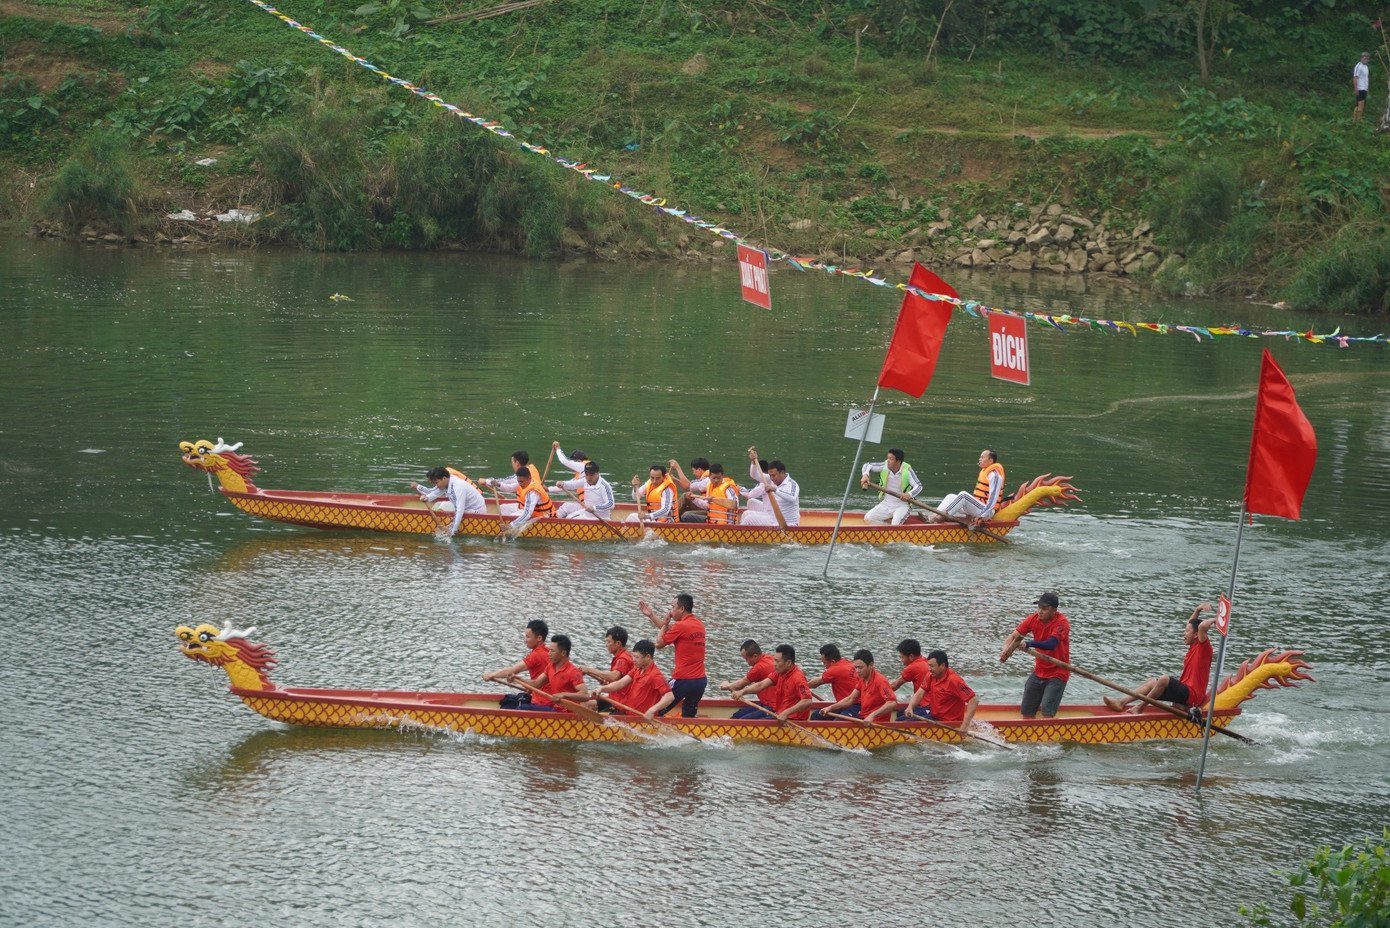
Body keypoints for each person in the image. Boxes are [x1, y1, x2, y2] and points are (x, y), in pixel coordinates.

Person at [1104, 604, 1216, 715]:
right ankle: (1120, 703)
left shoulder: (1203, 647)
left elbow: (1201, 627)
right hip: (1185, 691)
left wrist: (1215, 619)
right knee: (1152, 681)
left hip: (1194, 696)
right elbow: (1192, 624)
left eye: (1187, 631)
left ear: (1196, 635)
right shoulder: (1193, 644)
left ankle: (1139, 707)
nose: (1184, 633)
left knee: (1164, 679)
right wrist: (1197, 610)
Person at [1000, 591, 1072, 719]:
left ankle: (1048, 734)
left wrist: (1028, 643)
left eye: (1045, 609)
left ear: (1054, 610)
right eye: (1039, 607)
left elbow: (1051, 644)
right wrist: (1005, 650)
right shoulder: (1033, 619)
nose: (1040, 611)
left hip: (1058, 672)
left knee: (1046, 713)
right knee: (1026, 712)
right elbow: (1012, 636)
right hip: (1039, 670)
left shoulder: (1062, 622)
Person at [640, 594, 707, 717]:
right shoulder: (699, 624)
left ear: (681, 609)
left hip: (683, 680)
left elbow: (658, 644)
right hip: (700, 681)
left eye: (673, 607)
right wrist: (651, 615)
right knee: (689, 715)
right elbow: (669, 629)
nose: (671, 611)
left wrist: (665, 623)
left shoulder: (681, 626)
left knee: (656, 708)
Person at [482, 619, 550, 709]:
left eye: (528, 637)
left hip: (543, 701)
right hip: (542, 697)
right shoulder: (548, 652)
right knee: (509, 698)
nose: (525, 640)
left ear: (539, 638)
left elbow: (513, 670)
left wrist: (490, 675)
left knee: (510, 705)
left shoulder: (536, 655)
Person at [904, 649, 979, 731]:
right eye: (928, 665)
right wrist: (910, 707)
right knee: (900, 717)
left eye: (932, 666)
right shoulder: (931, 675)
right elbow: (920, 693)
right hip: (933, 715)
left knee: (903, 723)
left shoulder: (955, 681)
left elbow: (974, 700)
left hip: (947, 722)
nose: (929, 669)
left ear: (943, 665)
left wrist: (965, 725)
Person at [599, 639, 675, 719]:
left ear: (648, 657)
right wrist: (602, 689)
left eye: (637, 657)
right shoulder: (637, 669)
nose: (633, 660)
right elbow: (620, 684)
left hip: (641, 720)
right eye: (633, 656)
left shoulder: (655, 675)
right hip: (628, 715)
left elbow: (670, 696)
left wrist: (652, 710)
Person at [818, 649, 899, 723]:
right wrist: (830, 707)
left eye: (860, 667)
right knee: (817, 716)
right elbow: (851, 699)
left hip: (875, 721)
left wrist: (873, 715)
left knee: (838, 722)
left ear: (871, 665)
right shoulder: (862, 680)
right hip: (863, 718)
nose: (857, 671)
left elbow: (892, 703)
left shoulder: (880, 680)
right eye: (856, 668)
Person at [740, 644, 815, 721]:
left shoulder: (798, 678)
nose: (774, 664)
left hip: (793, 719)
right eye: (774, 660)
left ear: (788, 663)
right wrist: (742, 692)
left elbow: (807, 701)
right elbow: (760, 685)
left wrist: (786, 712)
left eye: (777, 661)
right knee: (739, 717)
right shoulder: (778, 673)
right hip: (780, 715)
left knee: (750, 723)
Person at [929, 449, 1005, 525]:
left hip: (986, 511)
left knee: (963, 495)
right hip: (978, 507)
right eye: (980, 457)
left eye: (982, 457)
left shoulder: (995, 476)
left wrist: (983, 515)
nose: (979, 459)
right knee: (950, 497)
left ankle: (939, 518)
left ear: (990, 460)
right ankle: (933, 516)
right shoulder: (985, 472)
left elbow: (993, 498)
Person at [412, 466, 487, 536]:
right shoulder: (448, 481)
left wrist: (452, 531)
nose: (436, 485)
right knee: (438, 504)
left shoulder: (457, 486)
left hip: (477, 512)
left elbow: (459, 510)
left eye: (436, 482)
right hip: (466, 508)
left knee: (446, 509)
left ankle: (453, 527)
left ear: (444, 478)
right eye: (434, 483)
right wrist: (427, 498)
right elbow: (435, 492)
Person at [577, 626, 635, 710]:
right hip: (614, 699)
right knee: (583, 703)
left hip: (619, 704)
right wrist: (590, 673)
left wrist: (589, 669)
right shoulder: (621, 657)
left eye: (608, 641)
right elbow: (613, 679)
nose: (606, 644)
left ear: (618, 643)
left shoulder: (623, 659)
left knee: (583, 704)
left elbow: (613, 676)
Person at [740, 447, 801, 526]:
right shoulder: (771, 479)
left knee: (749, 518)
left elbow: (792, 498)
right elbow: (754, 475)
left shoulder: (792, 484)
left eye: (774, 475)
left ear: (782, 472)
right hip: (773, 517)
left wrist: (775, 490)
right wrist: (754, 462)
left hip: (786, 523)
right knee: (746, 514)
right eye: (770, 475)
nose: (772, 478)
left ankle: (739, 537)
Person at [860, 448, 923, 525]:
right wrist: (865, 475)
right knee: (868, 518)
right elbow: (867, 465)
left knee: (895, 523)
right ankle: (887, 530)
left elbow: (919, 486)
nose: (888, 461)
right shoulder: (884, 466)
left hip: (902, 505)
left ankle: (892, 529)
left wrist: (909, 494)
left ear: (898, 462)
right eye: (888, 458)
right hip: (886, 504)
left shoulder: (907, 471)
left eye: (891, 459)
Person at [528, 634, 588, 712]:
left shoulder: (572, 672)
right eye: (549, 650)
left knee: (521, 708)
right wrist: (517, 678)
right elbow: (536, 683)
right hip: (556, 709)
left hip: (567, 713)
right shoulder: (551, 666)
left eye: (552, 651)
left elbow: (585, 695)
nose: (549, 654)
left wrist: (563, 694)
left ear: (563, 653)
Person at [720, 639, 778, 719]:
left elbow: (739, 685)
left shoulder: (759, 667)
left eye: (746, 659)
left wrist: (726, 685)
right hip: (766, 704)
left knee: (742, 721)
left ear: (755, 656)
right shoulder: (770, 658)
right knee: (737, 715)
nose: (746, 662)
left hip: (773, 708)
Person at [889, 638, 932, 719]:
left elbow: (894, 685)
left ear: (911, 656)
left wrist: (877, 696)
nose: (902, 660)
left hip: (927, 706)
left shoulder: (913, 667)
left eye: (902, 657)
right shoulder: (926, 661)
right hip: (928, 704)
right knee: (900, 712)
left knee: (899, 720)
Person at [1354, 51, 1371, 124]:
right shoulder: (1359, 66)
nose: (1366, 59)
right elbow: (1355, 77)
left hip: (1364, 88)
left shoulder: (1366, 67)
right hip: (1360, 88)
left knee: (1359, 105)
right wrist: (1356, 88)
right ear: (1361, 58)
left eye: (1367, 58)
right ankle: (1358, 121)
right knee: (1360, 105)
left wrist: (1367, 88)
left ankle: (1355, 121)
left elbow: (1366, 78)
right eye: (1365, 57)